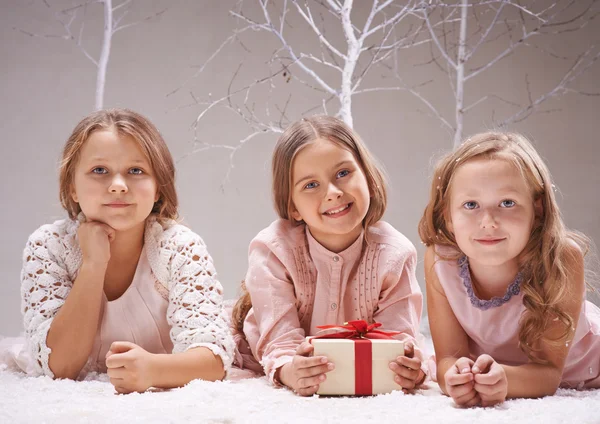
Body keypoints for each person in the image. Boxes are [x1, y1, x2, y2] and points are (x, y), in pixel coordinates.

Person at [19, 108, 234, 393]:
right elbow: (59, 367)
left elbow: (214, 360)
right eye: (99, 171)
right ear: (72, 188)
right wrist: (94, 264)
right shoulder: (48, 246)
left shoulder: (180, 247)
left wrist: (152, 370)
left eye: (136, 171)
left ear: (158, 188)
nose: (118, 186)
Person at [231, 115, 425, 396]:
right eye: (310, 185)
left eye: (343, 173)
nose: (333, 193)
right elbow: (280, 344)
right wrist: (289, 370)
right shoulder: (273, 250)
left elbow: (398, 341)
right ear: (293, 207)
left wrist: (408, 367)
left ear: (368, 178)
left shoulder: (395, 253)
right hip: (259, 353)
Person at [419, 132, 600, 407]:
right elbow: (448, 358)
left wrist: (504, 380)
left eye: (507, 203)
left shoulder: (560, 258)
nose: (488, 221)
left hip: (581, 367)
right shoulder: (441, 262)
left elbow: (549, 373)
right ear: (448, 215)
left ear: (537, 209)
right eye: (471, 205)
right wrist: (454, 378)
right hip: (494, 371)